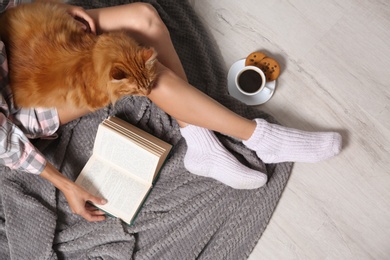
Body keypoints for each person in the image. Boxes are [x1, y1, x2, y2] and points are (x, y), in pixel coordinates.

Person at [0, 1, 342, 222]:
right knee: (145, 74)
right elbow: (4, 142)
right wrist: (65, 184)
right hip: (18, 102)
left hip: (17, 31)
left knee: (145, 17)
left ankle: (201, 144)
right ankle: (260, 137)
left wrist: (50, 10)